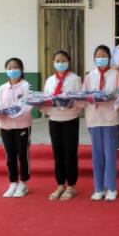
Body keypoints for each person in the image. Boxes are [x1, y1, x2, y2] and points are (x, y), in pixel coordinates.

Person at [83, 45, 119, 201]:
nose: (101, 59)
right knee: (97, 156)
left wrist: (112, 98)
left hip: (110, 118)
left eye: (104, 56)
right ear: (94, 59)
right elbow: (83, 96)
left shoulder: (116, 74)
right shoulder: (89, 76)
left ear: (109, 58)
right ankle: (99, 188)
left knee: (110, 154)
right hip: (94, 118)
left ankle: (111, 187)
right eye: (98, 56)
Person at [42, 50, 82, 201]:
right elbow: (45, 99)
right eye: (57, 60)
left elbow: (81, 100)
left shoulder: (75, 79)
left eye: (63, 60)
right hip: (54, 120)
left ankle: (71, 186)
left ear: (68, 62)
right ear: (53, 62)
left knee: (70, 154)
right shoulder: (50, 80)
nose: (60, 63)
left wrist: (71, 104)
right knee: (58, 154)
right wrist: (41, 106)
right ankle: (60, 185)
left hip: (70, 119)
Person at [0, 58, 33, 198]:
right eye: (9, 68)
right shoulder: (2, 88)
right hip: (5, 126)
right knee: (10, 156)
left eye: (15, 68)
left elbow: (28, 104)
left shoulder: (26, 85)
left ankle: (23, 183)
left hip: (22, 125)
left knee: (23, 155)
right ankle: (13, 182)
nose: (13, 70)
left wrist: (14, 113)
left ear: (21, 69)